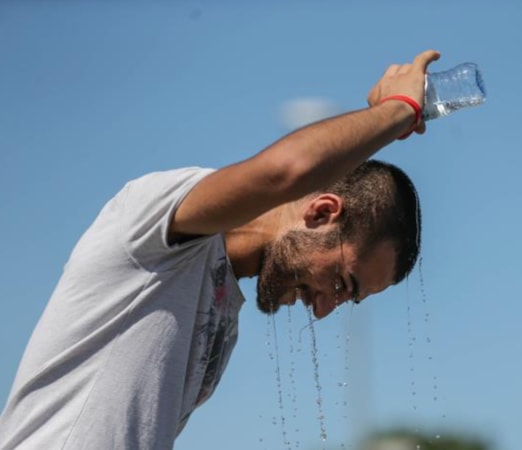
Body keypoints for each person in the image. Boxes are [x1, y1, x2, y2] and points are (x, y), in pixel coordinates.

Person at [0, 49, 441, 450]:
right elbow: (287, 172)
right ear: (322, 213)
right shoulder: (156, 226)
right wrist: (399, 111)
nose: (324, 309)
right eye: (342, 283)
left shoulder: (223, 316)